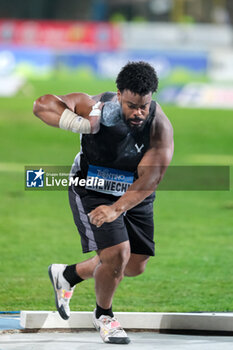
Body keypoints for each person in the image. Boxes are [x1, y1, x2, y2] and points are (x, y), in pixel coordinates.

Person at [33, 61, 174, 344]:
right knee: (117, 256)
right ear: (119, 94)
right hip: (92, 186)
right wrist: (80, 123)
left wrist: (117, 208)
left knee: (134, 265)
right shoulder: (94, 105)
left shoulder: (158, 125)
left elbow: (152, 178)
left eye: (144, 106)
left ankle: (67, 275)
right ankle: (104, 315)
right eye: (132, 104)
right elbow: (42, 105)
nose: (138, 113)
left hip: (134, 190)